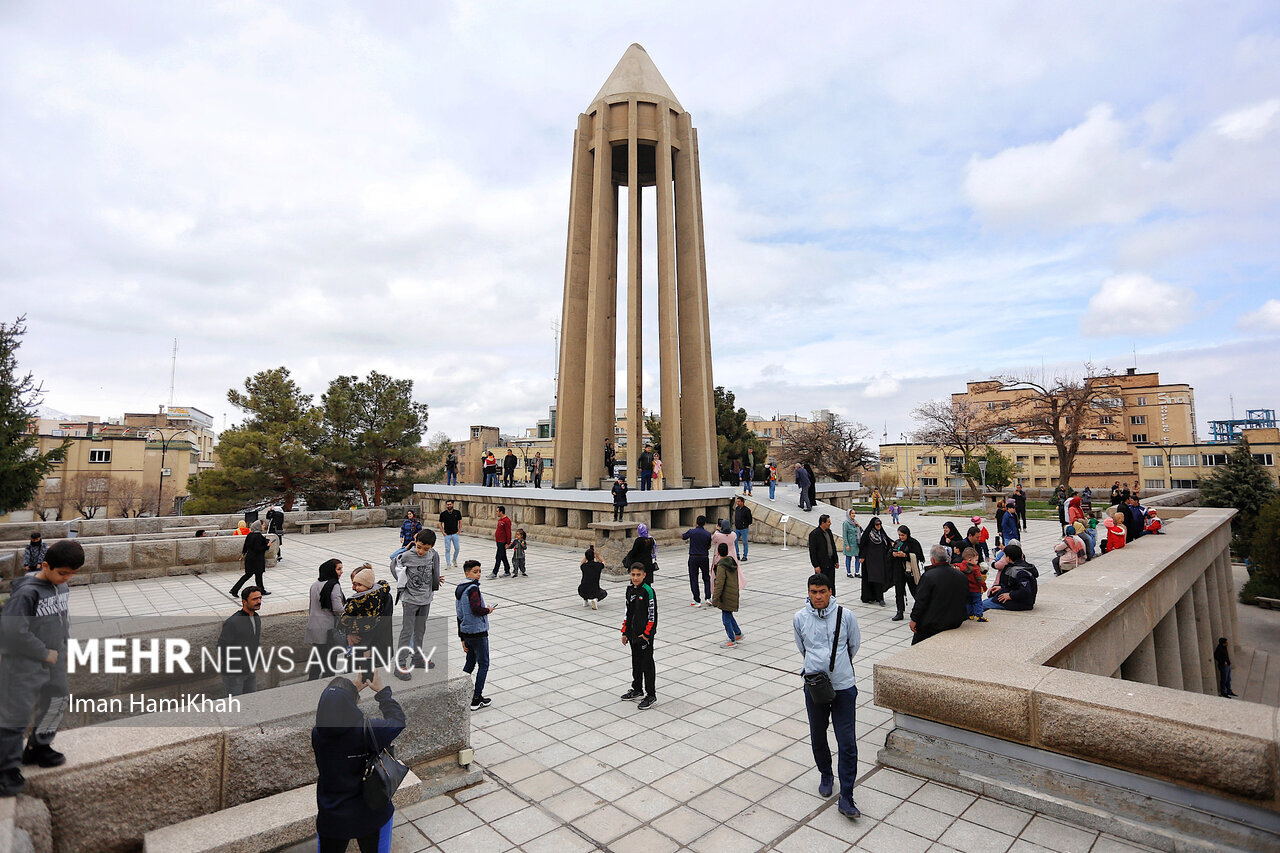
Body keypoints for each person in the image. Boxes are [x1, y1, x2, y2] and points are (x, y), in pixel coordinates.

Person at [0, 539, 84, 796]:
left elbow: (62, 622)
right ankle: (6, 769)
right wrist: (42, 652)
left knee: (57, 700)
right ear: (45, 565)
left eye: (71, 574)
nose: (66, 579)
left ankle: (39, 747)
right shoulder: (27, 592)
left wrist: (64, 649)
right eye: (62, 573)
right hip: (23, 662)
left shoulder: (61, 588)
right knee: (16, 713)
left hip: (54, 659)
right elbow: (12, 630)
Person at [312, 668, 406, 853]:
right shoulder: (369, 731)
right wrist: (381, 692)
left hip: (332, 815)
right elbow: (398, 720)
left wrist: (349, 690)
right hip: (372, 812)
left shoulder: (318, 733)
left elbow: (334, 708)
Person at [793, 573, 862, 820]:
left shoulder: (846, 616)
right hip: (815, 687)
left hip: (843, 687)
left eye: (822, 591)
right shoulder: (799, 618)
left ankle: (846, 795)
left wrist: (839, 666)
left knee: (847, 742)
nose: (818, 596)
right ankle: (825, 773)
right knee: (818, 734)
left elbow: (854, 645)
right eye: (814, 592)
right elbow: (802, 648)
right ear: (808, 593)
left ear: (831, 591)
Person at [390, 530, 441, 680]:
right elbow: (394, 565)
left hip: (426, 598)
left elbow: (433, 570)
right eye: (419, 547)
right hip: (410, 600)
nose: (421, 551)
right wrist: (402, 581)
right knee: (407, 631)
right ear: (415, 542)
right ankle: (400, 664)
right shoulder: (406, 555)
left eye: (425, 548)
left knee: (420, 630)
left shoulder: (433, 554)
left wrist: (435, 580)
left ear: (432, 546)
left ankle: (417, 658)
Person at [338, 566, 394, 676]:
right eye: (353, 583)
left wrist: (349, 631)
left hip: (376, 648)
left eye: (357, 584)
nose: (354, 588)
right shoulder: (372, 596)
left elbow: (379, 624)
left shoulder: (382, 599)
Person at [455, 560, 495, 711]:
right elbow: (477, 609)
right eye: (475, 572)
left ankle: (459, 692)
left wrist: (462, 638)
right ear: (467, 573)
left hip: (467, 632)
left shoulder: (460, 588)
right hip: (478, 632)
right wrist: (488, 610)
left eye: (479, 571)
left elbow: (459, 615)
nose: (478, 574)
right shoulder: (472, 589)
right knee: (483, 664)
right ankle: (476, 698)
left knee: (470, 664)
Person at [909, 545, 969, 645]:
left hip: (933, 623)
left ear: (933, 560)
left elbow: (921, 601)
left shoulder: (929, 576)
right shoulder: (961, 575)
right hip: (956, 620)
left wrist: (914, 619)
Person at [620, 563, 658, 709]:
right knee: (636, 662)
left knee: (647, 664)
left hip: (644, 635)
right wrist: (625, 631)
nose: (635, 578)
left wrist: (647, 634)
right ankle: (637, 688)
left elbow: (652, 615)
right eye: (633, 574)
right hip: (632, 633)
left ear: (644, 575)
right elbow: (627, 612)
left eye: (638, 575)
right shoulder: (629, 590)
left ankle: (651, 694)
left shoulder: (648, 591)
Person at [306, 559, 346, 681]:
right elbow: (338, 608)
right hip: (327, 629)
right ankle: (327, 685)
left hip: (314, 626)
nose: (341, 572)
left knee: (317, 658)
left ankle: (312, 682)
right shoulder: (334, 585)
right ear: (331, 570)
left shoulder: (315, 584)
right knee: (329, 660)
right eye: (338, 569)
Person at [218, 587, 263, 696]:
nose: (259, 602)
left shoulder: (256, 617)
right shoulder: (233, 622)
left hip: (250, 668)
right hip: (235, 673)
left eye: (260, 598)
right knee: (236, 705)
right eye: (254, 599)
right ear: (244, 601)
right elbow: (222, 647)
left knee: (251, 701)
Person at [982, 543, 1038, 613]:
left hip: (1020, 603)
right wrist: (1001, 587)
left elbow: (1025, 591)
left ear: (1008, 558)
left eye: (1004, 555)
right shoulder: (1021, 567)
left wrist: (1010, 595)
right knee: (987, 601)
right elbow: (1015, 585)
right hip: (1018, 600)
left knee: (982, 605)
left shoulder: (1019, 572)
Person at [889, 525, 924, 621]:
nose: (901, 537)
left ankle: (921, 610)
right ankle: (900, 612)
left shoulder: (913, 543)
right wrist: (894, 554)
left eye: (903, 535)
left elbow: (919, 556)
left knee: (915, 590)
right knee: (899, 592)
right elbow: (889, 554)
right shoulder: (897, 542)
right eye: (899, 535)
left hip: (910, 571)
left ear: (907, 534)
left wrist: (905, 555)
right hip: (898, 571)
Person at [712, 543, 743, 648]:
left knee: (725, 618)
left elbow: (719, 583)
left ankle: (731, 639)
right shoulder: (731, 562)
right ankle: (738, 633)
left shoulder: (722, 566)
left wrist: (715, 599)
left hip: (726, 594)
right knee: (729, 614)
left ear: (718, 552)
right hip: (733, 592)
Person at [230, 520, 272, 598]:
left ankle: (260, 590)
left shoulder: (250, 535)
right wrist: (267, 546)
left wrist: (243, 554)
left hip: (250, 558)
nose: (264, 527)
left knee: (253, 575)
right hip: (256, 559)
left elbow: (245, 546)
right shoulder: (258, 536)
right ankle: (235, 589)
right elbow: (258, 548)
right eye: (263, 525)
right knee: (256, 575)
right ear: (258, 526)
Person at [681, 515, 714, 607]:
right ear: (705, 523)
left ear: (696, 522)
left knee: (694, 578)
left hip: (693, 557)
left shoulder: (692, 532)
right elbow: (709, 546)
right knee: (706, 577)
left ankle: (697, 600)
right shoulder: (707, 534)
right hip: (704, 557)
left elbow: (683, 536)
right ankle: (708, 597)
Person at [857, 517, 891, 606]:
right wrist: (862, 556)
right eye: (877, 524)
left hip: (880, 560)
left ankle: (880, 597)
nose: (879, 526)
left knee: (879, 578)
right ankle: (871, 597)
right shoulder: (868, 534)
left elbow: (887, 540)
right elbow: (863, 545)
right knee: (872, 578)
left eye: (880, 524)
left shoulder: (881, 533)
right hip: (870, 560)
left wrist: (892, 543)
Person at [808, 514, 840, 595]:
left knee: (831, 584)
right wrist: (816, 565)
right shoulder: (814, 534)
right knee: (822, 584)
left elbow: (833, 546)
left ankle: (832, 599)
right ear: (823, 523)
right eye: (828, 522)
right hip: (821, 565)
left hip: (830, 563)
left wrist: (836, 560)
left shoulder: (829, 532)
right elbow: (812, 551)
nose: (830, 523)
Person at [959, 547, 988, 622]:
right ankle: (979, 616)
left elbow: (953, 565)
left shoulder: (960, 566)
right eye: (976, 560)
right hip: (976, 589)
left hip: (967, 589)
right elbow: (980, 579)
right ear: (970, 560)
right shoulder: (975, 568)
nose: (977, 562)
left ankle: (970, 615)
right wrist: (984, 587)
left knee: (968, 602)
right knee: (977, 602)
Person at [439, 499, 462, 569]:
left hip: (455, 533)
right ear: (446, 505)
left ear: (452, 504)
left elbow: (460, 522)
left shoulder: (457, 512)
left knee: (457, 548)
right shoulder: (443, 514)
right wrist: (443, 532)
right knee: (447, 549)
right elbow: (440, 523)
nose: (449, 505)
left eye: (450, 504)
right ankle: (448, 563)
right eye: (448, 504)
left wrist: (459, 531)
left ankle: (454, 560)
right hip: (447, 534)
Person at [492, 505, 513, 577]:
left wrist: (508, 543)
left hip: (502, 541)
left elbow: (508, 532)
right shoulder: (500, 520)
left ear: (501, 512)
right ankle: (507, 570)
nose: (496, 513)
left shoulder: (507, 520)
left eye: (497, 511)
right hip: (498, 541)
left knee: (498, 557)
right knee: (503, 556)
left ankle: (494, 573)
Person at [842, 508, 862, 579]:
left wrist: (858, 525)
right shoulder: (846, 523)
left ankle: (857, 572)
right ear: (848, 515)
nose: (853, 515)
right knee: (848, 558)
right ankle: (849, 572)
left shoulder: (855, 522)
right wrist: (846, 544)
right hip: (850, 544)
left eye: (854, 513)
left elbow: (861, 531)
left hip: (857, 543)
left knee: (857, 557)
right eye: (852, 513)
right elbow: (844, 535)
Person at [733, 496, 753, 561]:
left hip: (744, 529)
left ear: (742, 502)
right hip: (737, 528)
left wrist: (745, 524)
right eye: (737, 501)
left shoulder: (747, 510)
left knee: (745, 542)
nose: (737, 503)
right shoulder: (737, 509)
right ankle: (737, 554)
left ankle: (745, 555)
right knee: (735, 541)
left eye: (739, 501)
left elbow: (750, 520)